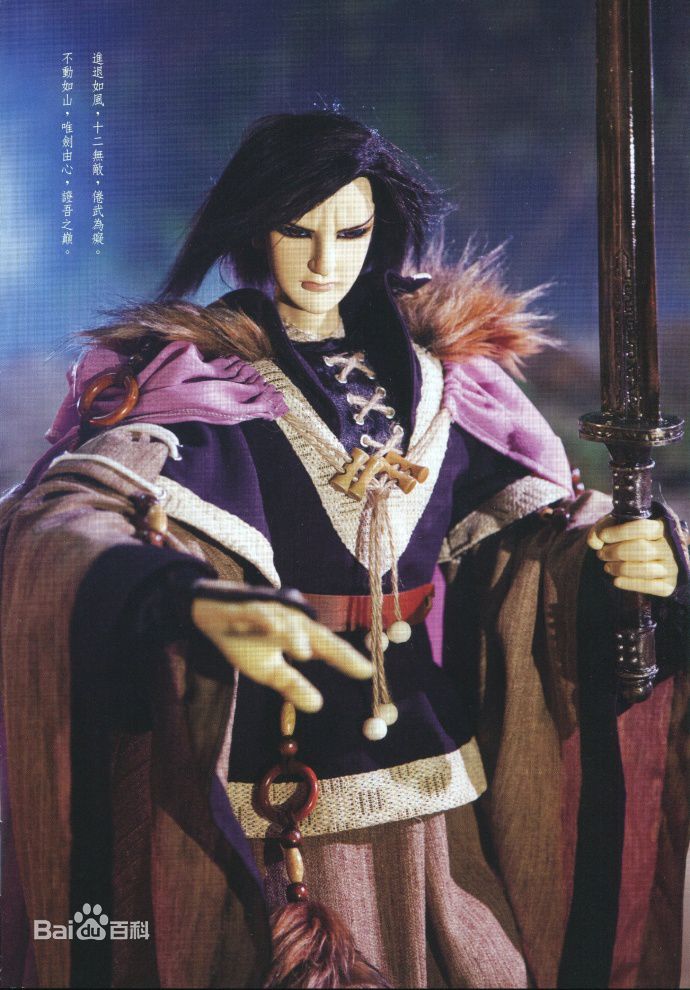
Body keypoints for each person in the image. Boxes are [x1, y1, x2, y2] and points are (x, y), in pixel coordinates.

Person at [1, 111, 687, 989]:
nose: (326, 260)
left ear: (381, 234)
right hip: (279, 766)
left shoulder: (447, 382)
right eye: (299, 231)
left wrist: (613, 552)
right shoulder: (198, 384)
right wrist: (184, 598)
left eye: (351, 231)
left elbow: (530, 530)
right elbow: (77, 512)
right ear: (256, 231)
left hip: (436, 765)